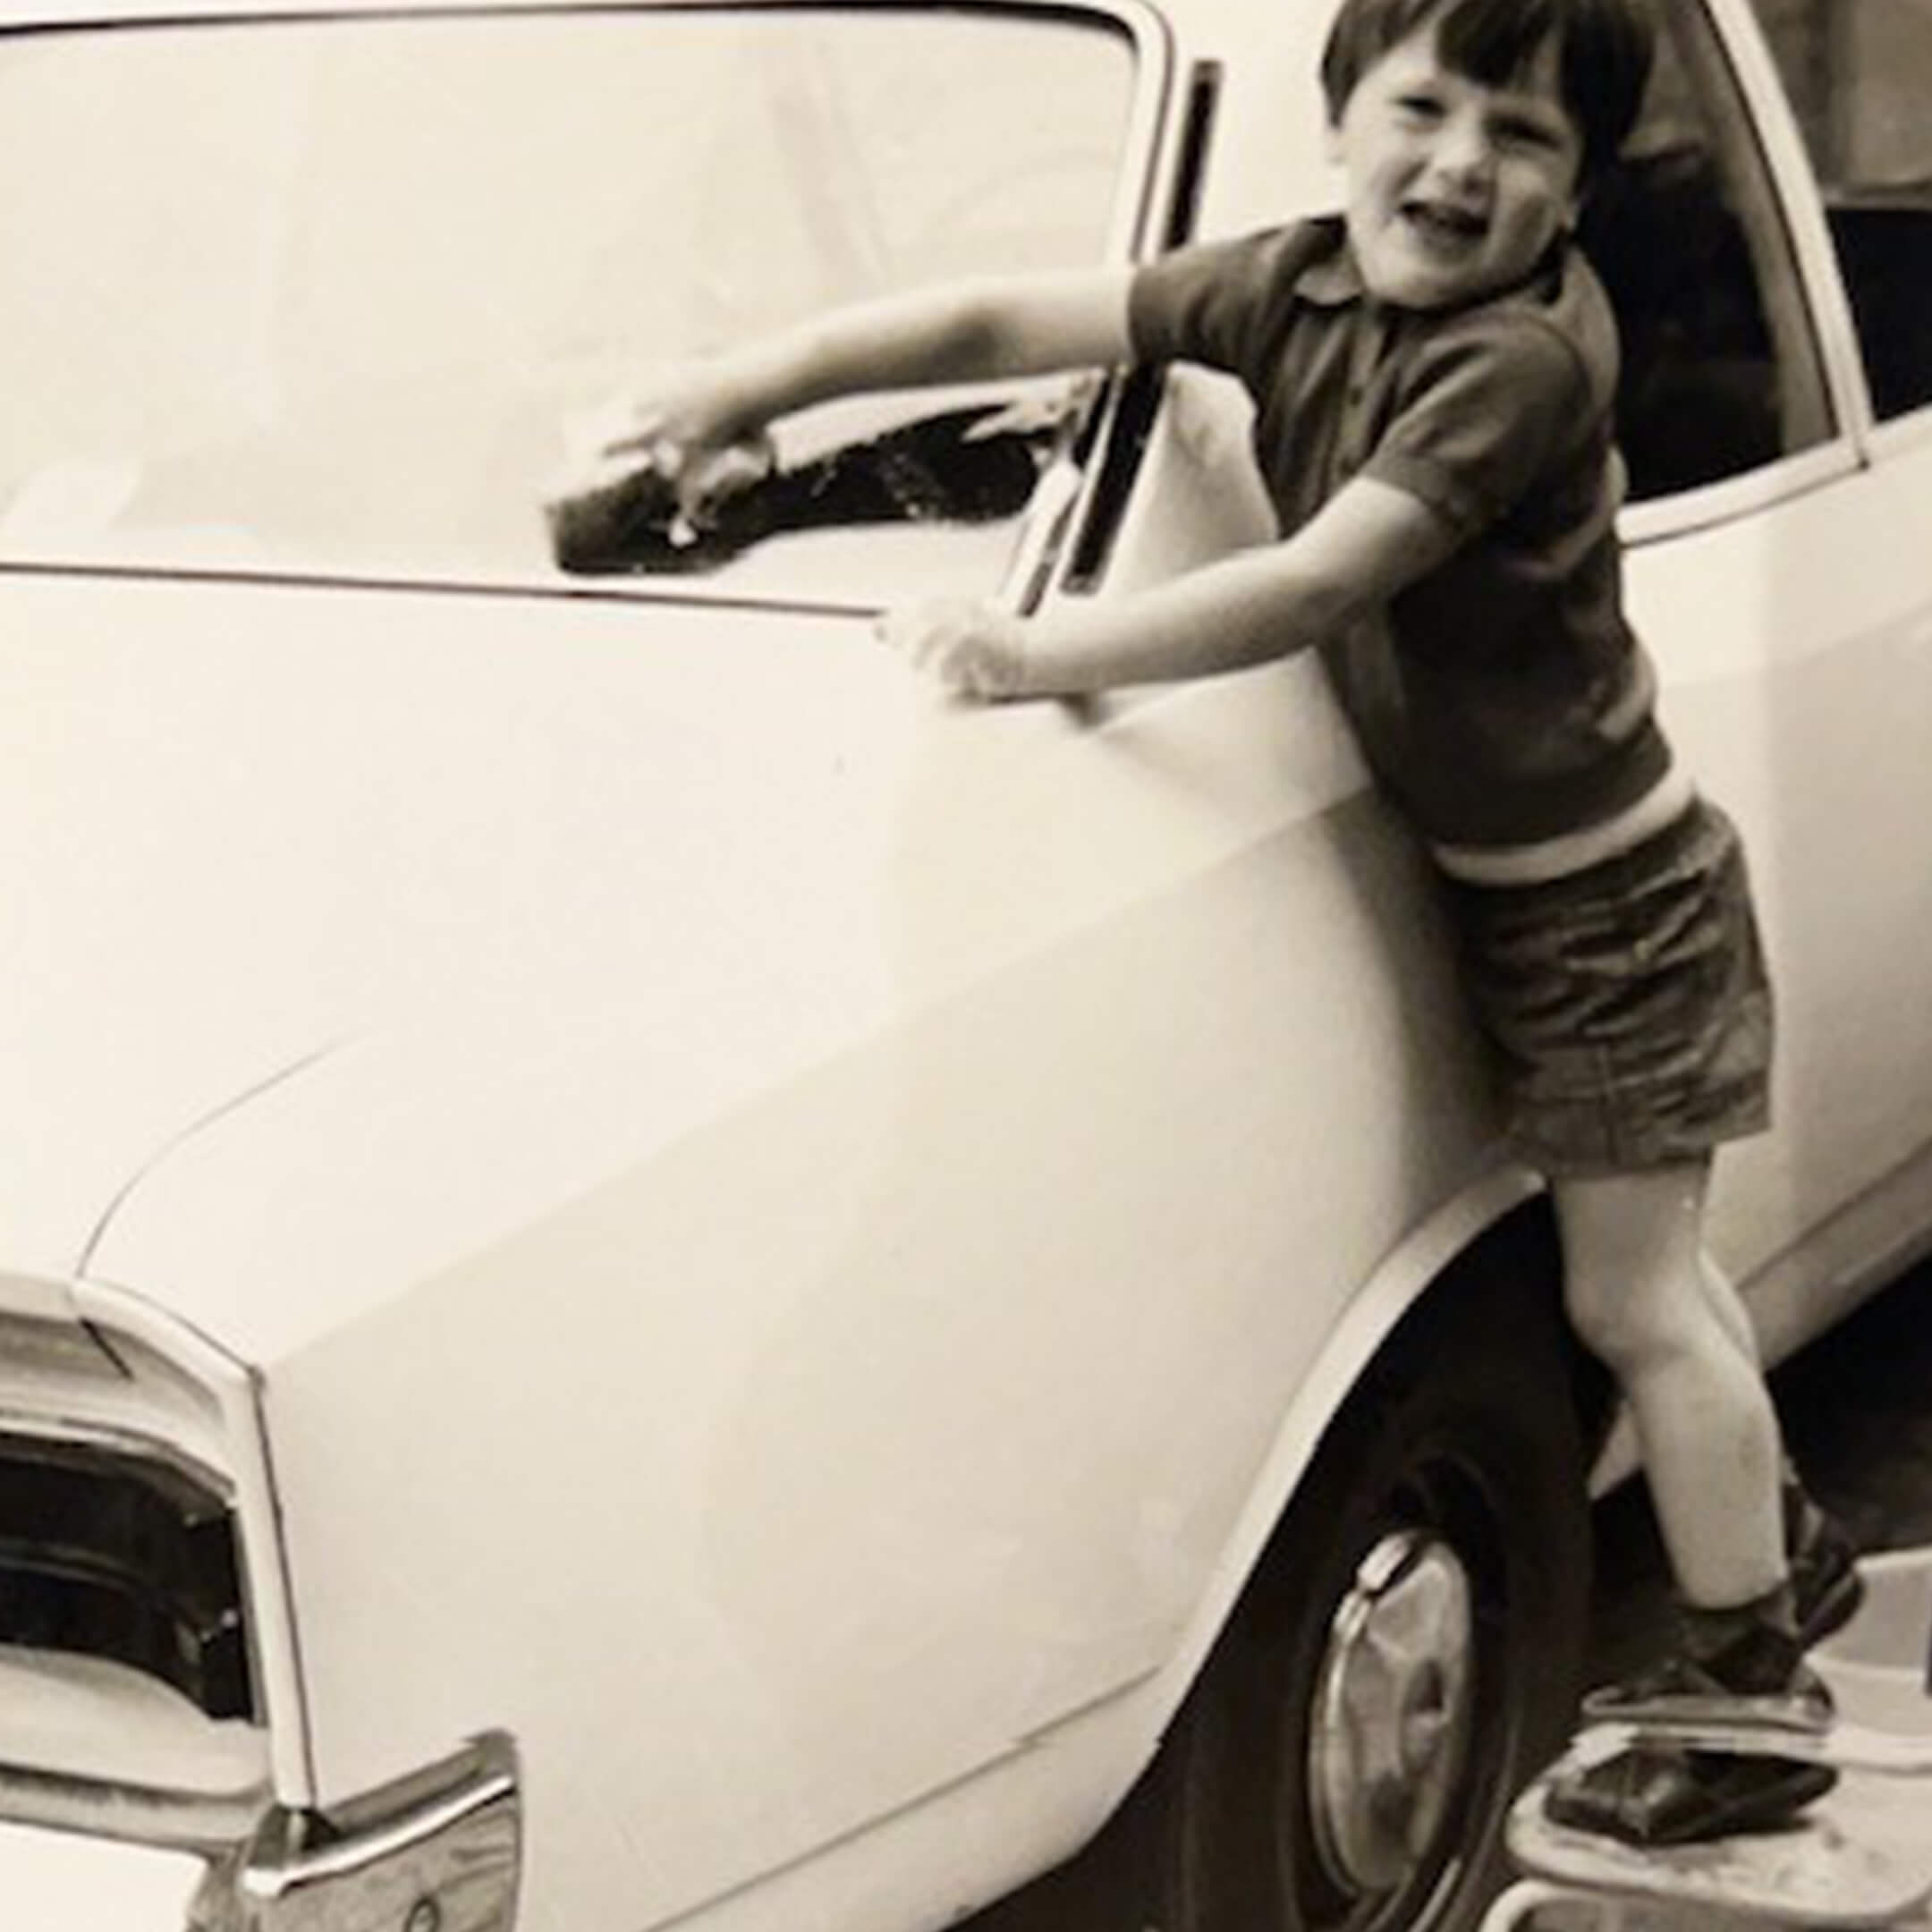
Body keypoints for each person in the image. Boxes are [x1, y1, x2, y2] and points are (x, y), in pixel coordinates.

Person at [564, 0, 1863, 1846]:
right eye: (1424, 106)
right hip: (1533, 903)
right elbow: (1000, 322)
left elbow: (1315, 581)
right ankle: (1769, 1541)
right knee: (1656, 1271)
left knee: (1630, 1299)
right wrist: (742, 387)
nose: (1459, 165)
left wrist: (1036, 651)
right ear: (1341, 120)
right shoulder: (1290, 284)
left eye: (1523, 139)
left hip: (1615, 913)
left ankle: (1753, 1697)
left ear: (1578, 198)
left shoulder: (1519, 360)